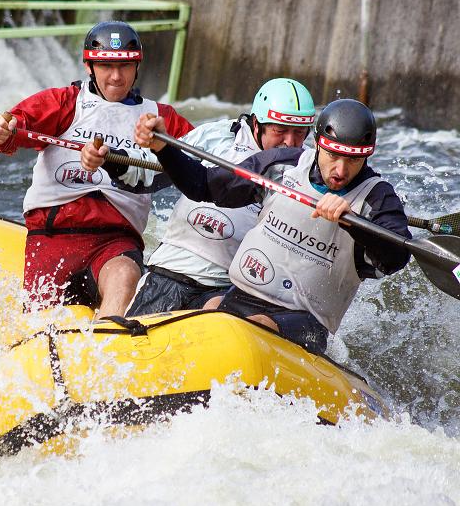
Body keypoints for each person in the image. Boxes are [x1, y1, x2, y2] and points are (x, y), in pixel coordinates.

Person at [133, 98, 411, 353]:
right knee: (214, 308)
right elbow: (205, 185)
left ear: (367, 156)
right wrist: (164, 149)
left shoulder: (378, 197)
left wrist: (355, 224)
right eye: (333, 156)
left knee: (256, 324)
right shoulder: (282, 166)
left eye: (352, 160)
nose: (340, 170)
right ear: (318, 145)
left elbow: (395, 258)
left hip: (303, 322)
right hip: (239, 298)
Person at [0, 21, 193, 317]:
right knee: (40, 324)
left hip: (115, 241)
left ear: (137, 66)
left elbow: (202, 162)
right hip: (52, 237)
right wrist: (0, 132)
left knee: (124, 275)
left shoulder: (161, 119)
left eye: (125, 67)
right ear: (89, 66)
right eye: (106, 66)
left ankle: (108, 348)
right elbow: (10, 132)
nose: (117, 77)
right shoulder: (64, 102)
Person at [120, 78, 316, 315]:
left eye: (299, 133)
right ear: (257, 123)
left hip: (228, 287)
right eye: (280, 131)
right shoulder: (217, 136)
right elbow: (145, 175)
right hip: (171, 269)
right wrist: (111, 160)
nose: (290, 143)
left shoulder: (309, 170)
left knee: (217, 312)